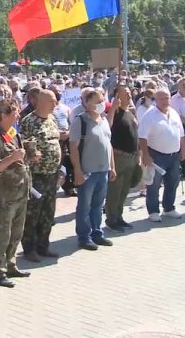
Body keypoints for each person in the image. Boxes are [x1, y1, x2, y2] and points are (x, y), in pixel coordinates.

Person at [0, 100, 31, 287]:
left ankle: (11, 263)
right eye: (15, 113)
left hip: (20, 192)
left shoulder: (13, 133)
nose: (18, 116)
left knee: (16, 233)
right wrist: (11, 158)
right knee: (3, 235)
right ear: (3, 116)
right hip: (4, 195)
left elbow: (19, 159)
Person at [18, 90, 62, 261]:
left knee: (48, 212)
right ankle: (29, 249)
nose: (55, 104)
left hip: (52, 174)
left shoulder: (52, 119)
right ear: (41, 102)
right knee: (33, 213)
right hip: (37, 175)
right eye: (52, 101)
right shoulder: (29, 121)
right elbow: (22, 148)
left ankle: (44, 245)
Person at [69, 90, 115, 250]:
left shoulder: (103, 120)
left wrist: (112, 167)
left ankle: (97, 233)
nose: (102, 103)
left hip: (103, 170)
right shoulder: (80, 121)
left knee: (98, 204)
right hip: (87, 171)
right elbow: (73, 148)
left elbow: (108, 145)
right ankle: (84, 236)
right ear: (88, 104)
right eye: (98, 101)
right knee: (85, 205)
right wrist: (77, 170)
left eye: (103, 100)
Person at [139, 89, 185, 222]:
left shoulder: (174, 113)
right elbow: (142, 137)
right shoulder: (149, 115)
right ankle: (153, 211)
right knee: (154, 184)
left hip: (174, 155)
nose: (166, 101)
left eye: (167, 98)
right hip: (156, 155)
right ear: (156, 100)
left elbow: (181, 134)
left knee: (173, 182)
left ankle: (169, 208)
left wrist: (183, 151)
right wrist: (146, 155)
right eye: (162, 99)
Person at [104, 85, 138, 231]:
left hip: (131, 157)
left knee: (124, 190)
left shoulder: (130, 113)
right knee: (114, 191)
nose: (130, 95)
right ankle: (111, 219)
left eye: (130, 93)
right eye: (126, 93)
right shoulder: (115, 113)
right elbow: (107, 127)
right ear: (117, 96)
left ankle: (119, 216)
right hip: (118, 157)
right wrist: (112, 109)